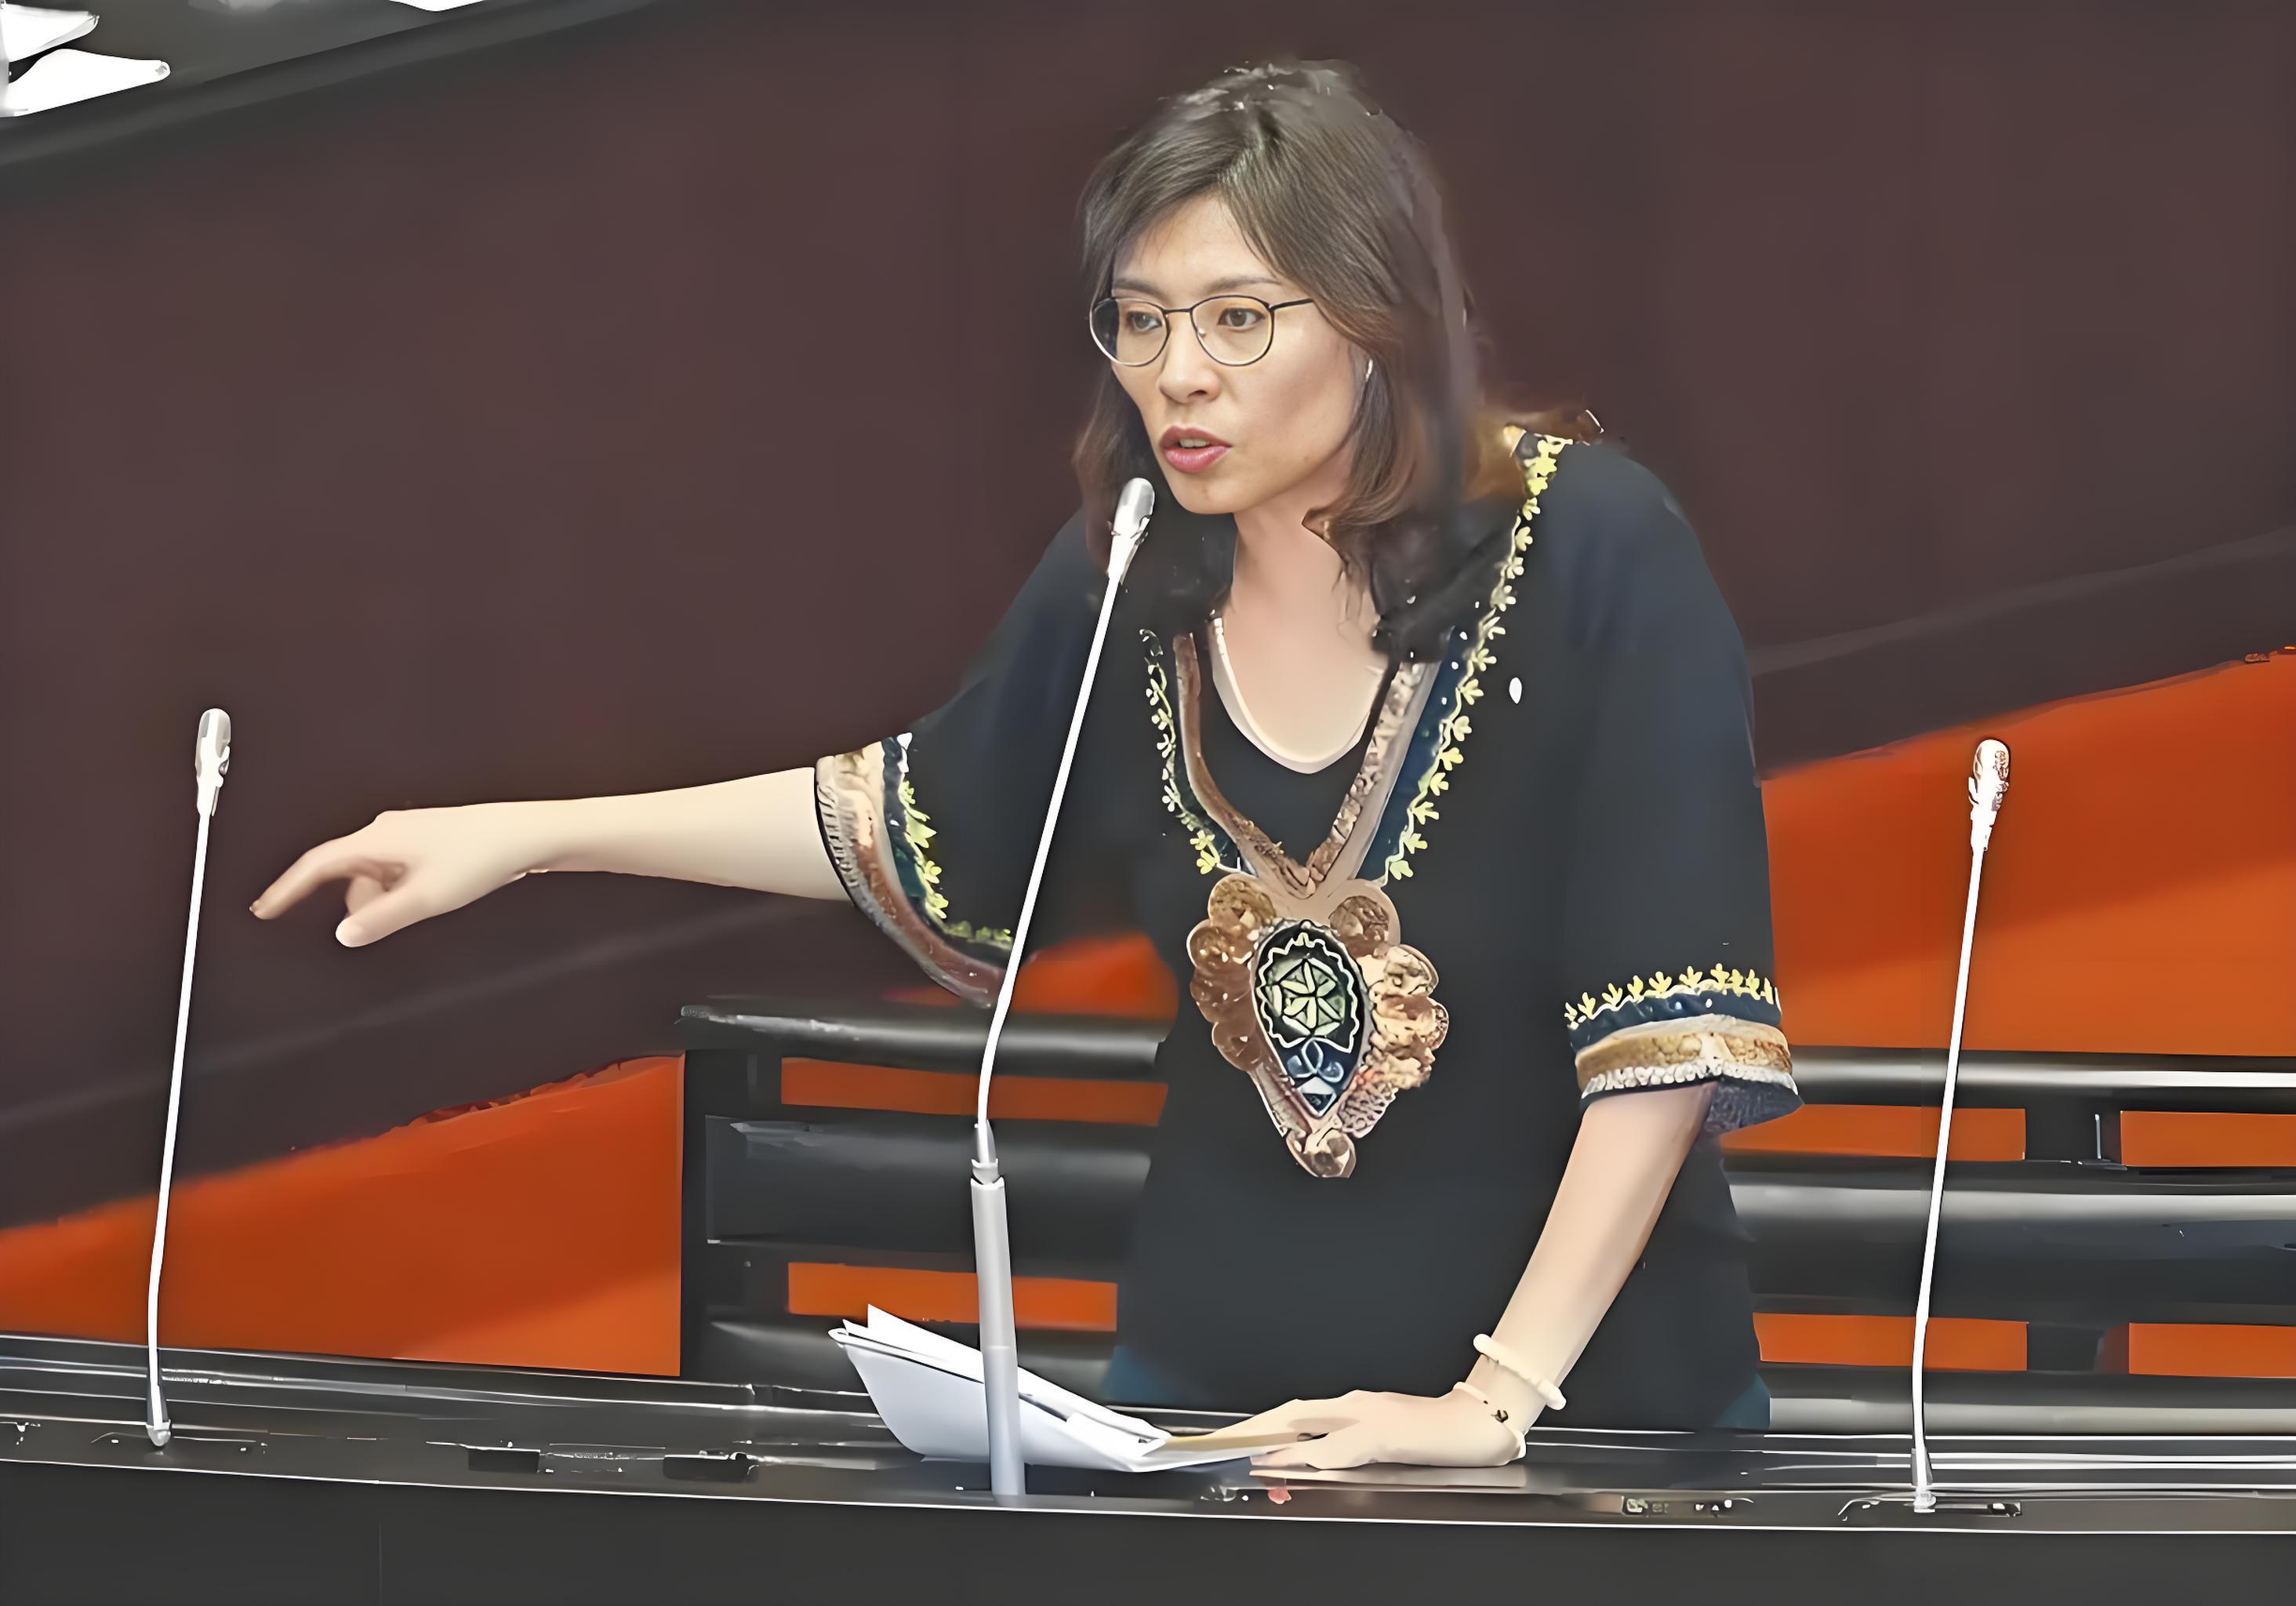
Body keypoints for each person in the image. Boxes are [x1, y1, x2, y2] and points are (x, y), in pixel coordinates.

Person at [252, 59, 1797, 1470]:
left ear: (1376, 320)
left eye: (1239, 318)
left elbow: (1663, 1041)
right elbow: (914, 818)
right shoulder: (1129, 574)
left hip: (1582, 1420)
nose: (1179, 373)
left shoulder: (1596, 550)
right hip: (1209, 1403)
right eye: (1141, 320)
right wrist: (530, 833)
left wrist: (1491, 1402)